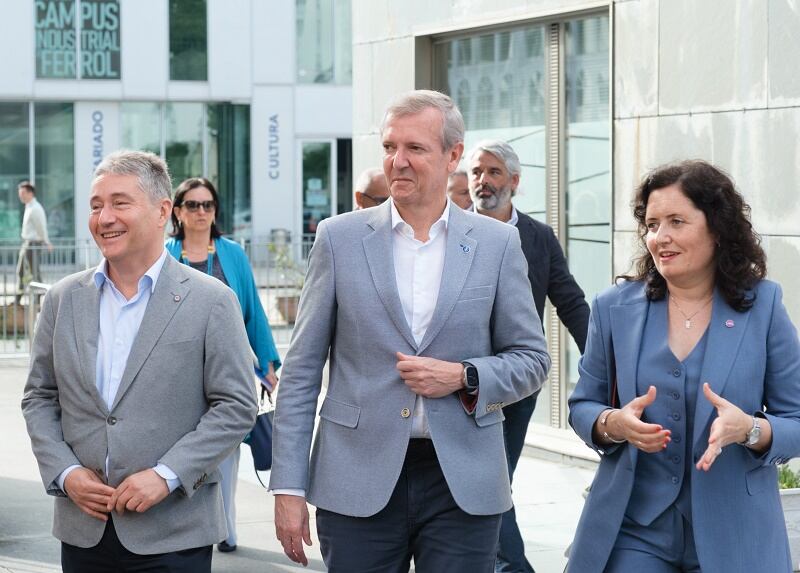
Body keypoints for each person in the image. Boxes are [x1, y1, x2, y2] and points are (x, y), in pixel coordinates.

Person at [270, 90, 551, 572]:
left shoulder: (497, 243)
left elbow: (532, 359)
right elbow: (300, 373)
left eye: (415, 149)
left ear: (453, 156)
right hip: (356, 477)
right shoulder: (339, 239)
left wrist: (464, 376)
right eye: (389, 147)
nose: (396, 162)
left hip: (462, 480)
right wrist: (288, 486)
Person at [21, 150, 257, 573]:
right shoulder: (63, 299)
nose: (104, 217)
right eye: (96, 206)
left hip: (173, 535)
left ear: (163, 210)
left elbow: (236, 406)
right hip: (83, 531)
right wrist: (66, 472)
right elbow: (40, 396)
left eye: (119, 203)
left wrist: (167, 475)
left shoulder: (212, 300)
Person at [567, 160, 800, 572]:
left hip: (736, 532)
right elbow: (583, 404)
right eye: (652, 224)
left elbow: (796, 421)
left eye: (677, 221)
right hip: (635, 528)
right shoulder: (613, 308)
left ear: (717, 228)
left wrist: (750, 429)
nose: (661, 237)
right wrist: (612, 423)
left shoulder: (762, 307)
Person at [468, 139, 590, 573]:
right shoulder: (450, 231)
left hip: (517, 384)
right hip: (462, 386)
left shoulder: (538, 238)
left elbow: (570, 302)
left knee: (495, 480)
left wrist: (603, 364)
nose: (483, 181)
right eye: (477, 172)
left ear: (515, 181)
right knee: (486, 481)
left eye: (494, 172)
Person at [166, 176, 282, 553]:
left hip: (228, 369)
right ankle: (187, 525)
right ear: (177, 211)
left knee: (226, 450)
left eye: (208, 205)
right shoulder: (165, 252)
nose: (201, 212)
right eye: (193, 205)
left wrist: (267, 363)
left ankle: (225, 528)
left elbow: (252, 311)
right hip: (177, 371)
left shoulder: (232, 253)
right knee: (182, 449)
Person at [16, 181, 51, 303]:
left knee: (33, 272)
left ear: (30, 193)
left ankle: (38, 298)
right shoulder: (29, 206)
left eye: (23, 193)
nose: (20, 196)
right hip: (28, 243)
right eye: (20, 193)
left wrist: (46, 242)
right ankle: (22, 298)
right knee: (24, 271)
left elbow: (41, 227)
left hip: (33, 244)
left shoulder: (35, 208)